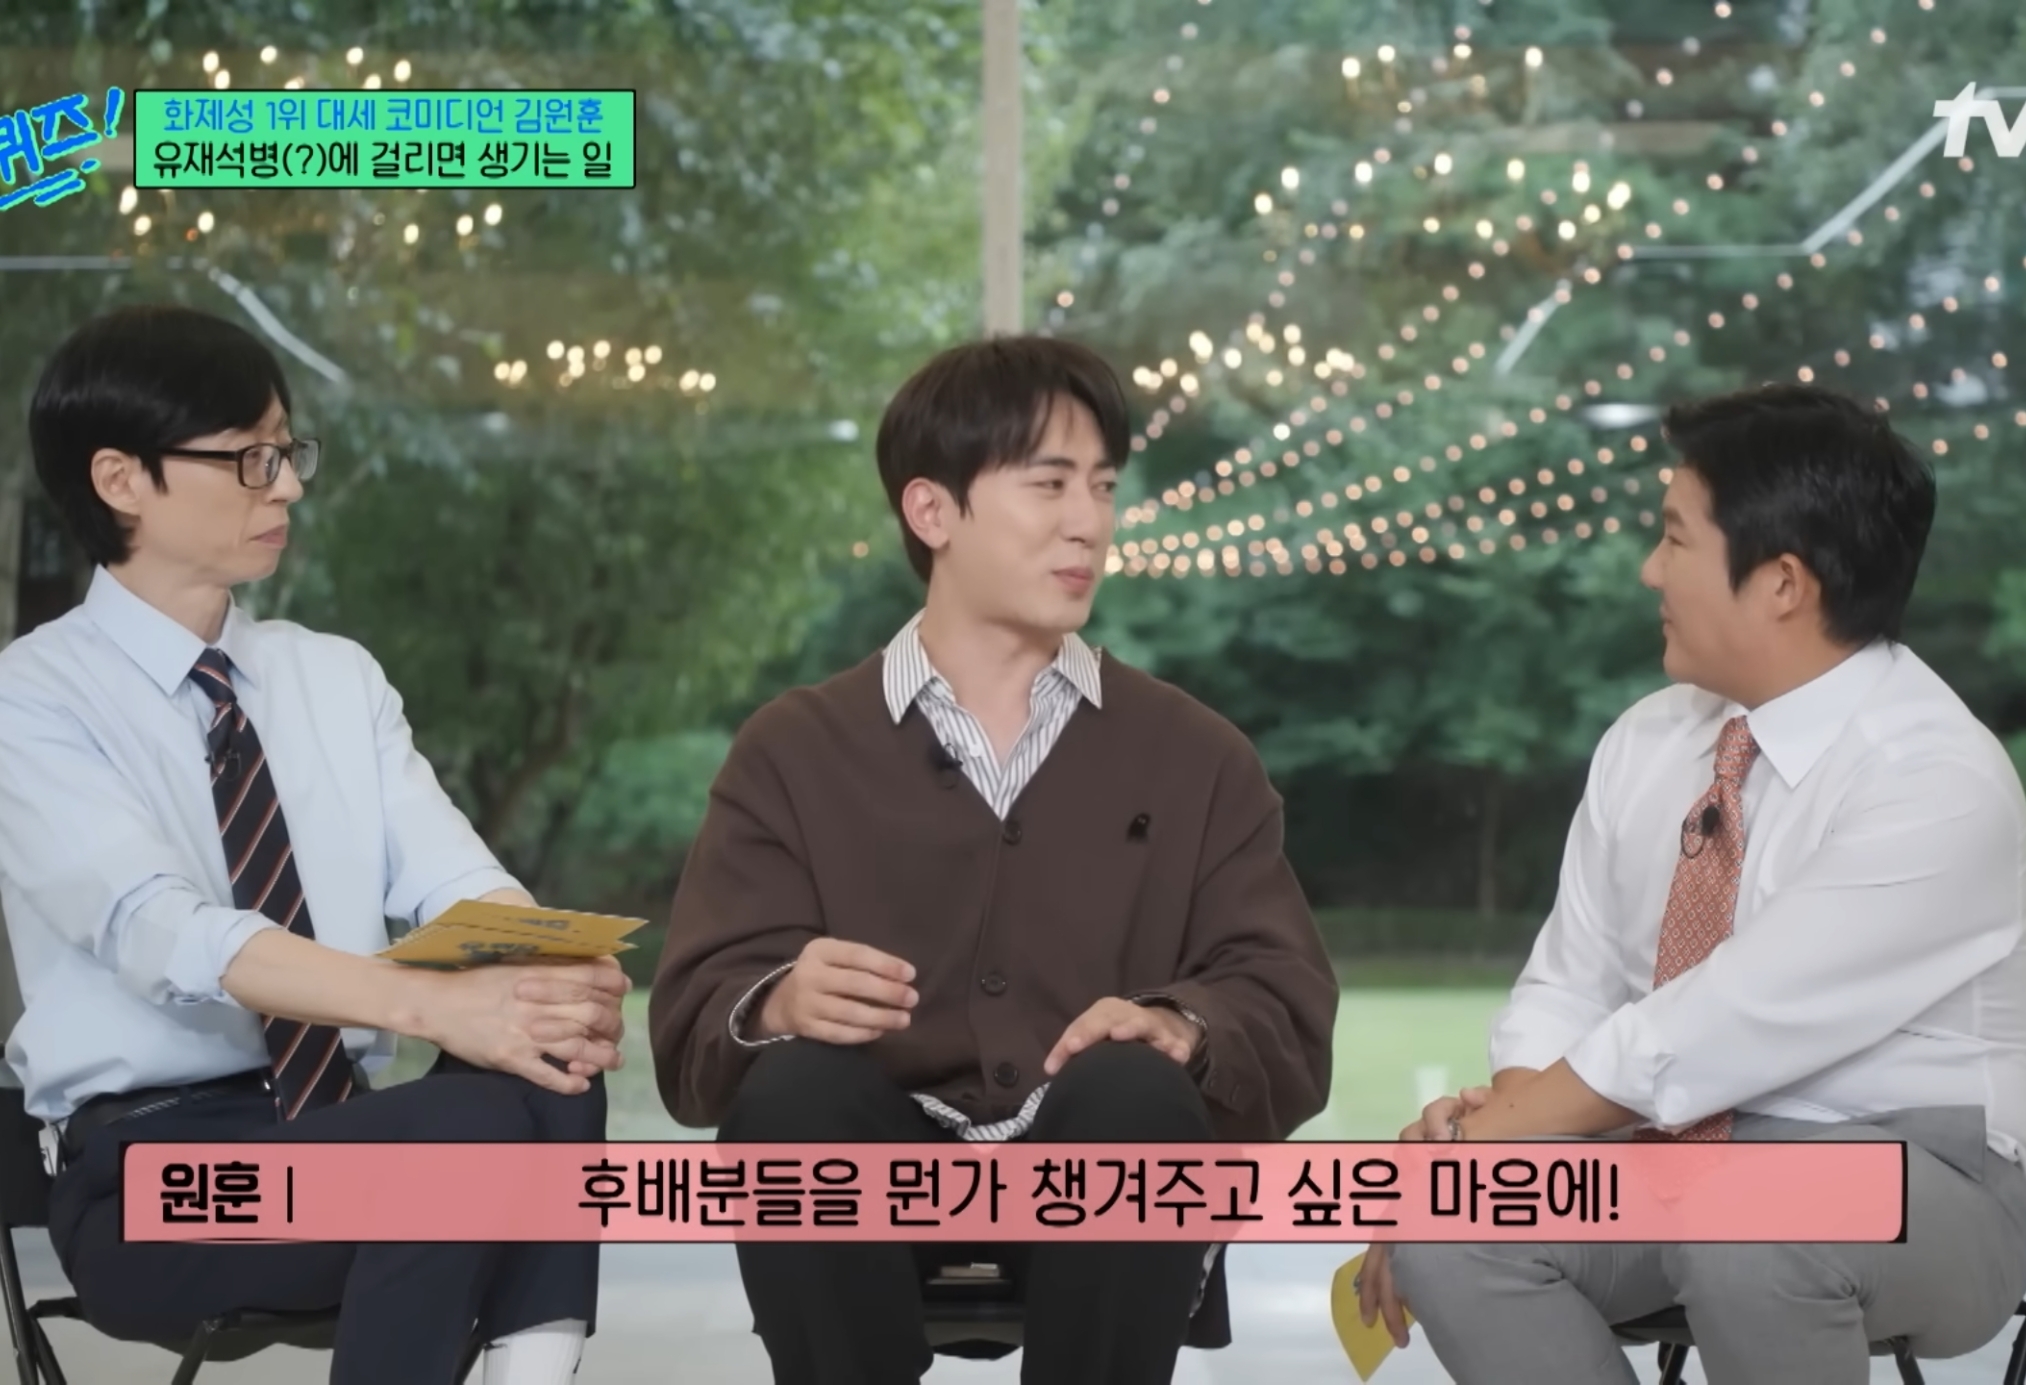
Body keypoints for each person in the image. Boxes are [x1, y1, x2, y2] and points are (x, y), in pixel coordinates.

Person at [649, 334, 1338, 1385]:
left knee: (1135, 1090)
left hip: (1107, 1184)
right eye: (1049, 484)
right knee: (792, 1096)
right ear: (933, 512)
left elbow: (1284, 1000)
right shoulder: (792, 750)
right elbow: (693, 1023)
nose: (1089, 521)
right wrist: (779, 1000)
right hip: (871, 1188)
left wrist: (1186, 1025)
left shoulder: (1195, 755)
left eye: (1103, 486)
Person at [0, 304, 625, 1385]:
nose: (286, 485)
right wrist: (430, 1004)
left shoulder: (333, 676)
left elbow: (458, 881)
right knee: (464, 1133)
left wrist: (550, 965)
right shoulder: (31, 698)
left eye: (289, 452)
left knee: (549, 1054)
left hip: (352, 1137)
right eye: (250, 458)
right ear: (121, 478)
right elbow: (167, 931)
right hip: (156, 1179)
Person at [1355, 382, 2026, 1383]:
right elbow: (1568, 980)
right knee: (1450, 1227)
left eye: (1674, 538)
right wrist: (1489, 1145)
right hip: (1673, 1157)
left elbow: (1726, 1020)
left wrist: (1491, 1133)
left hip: (1932, 1174)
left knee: (1748, 1223)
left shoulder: (1935, 776)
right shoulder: (1649, 738)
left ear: (1783, 582)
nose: (1648, 568)